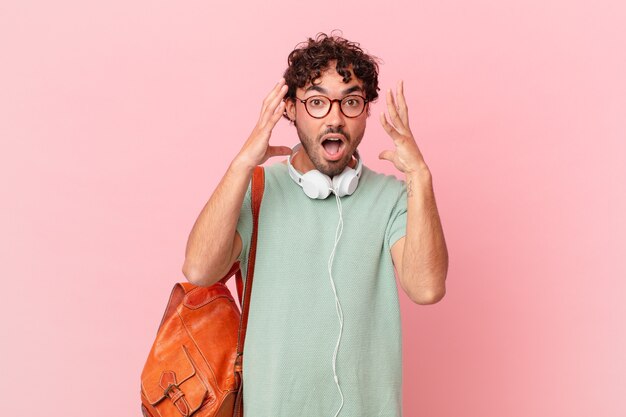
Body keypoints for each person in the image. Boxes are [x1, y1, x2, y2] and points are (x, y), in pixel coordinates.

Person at [183, 32, 448, 417]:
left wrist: (420, 178)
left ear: (365, 111)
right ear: (290, 109)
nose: (335, 119)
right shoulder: (257, 190)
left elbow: (426, 289)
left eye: (351, 102)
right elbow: (199, 269)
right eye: (317, 103)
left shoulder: (393, 198)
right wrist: (242, 164)